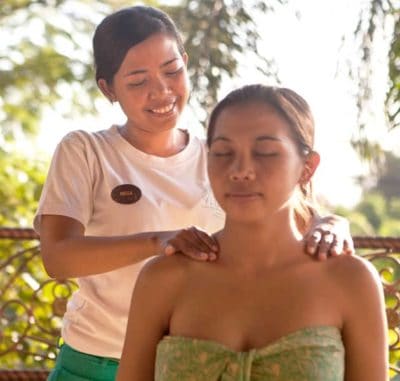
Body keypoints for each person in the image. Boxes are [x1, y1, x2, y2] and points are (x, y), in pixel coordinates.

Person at [34, 6, 353, 381]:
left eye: (172, 71)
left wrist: (333, 223)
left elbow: (297, 215)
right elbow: (58, 257)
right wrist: (160, 241)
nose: (161, 90)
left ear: (186, 63)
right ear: (108, 88)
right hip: (96, 362)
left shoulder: (219, 156)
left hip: (189, 365)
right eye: (138, 81)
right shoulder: (86, 151)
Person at [116, 84, 388, 381]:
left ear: (307, 167)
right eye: (222, 152)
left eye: (265, 152)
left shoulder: (350, 281)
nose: (240, 169)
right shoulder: (164, 279)